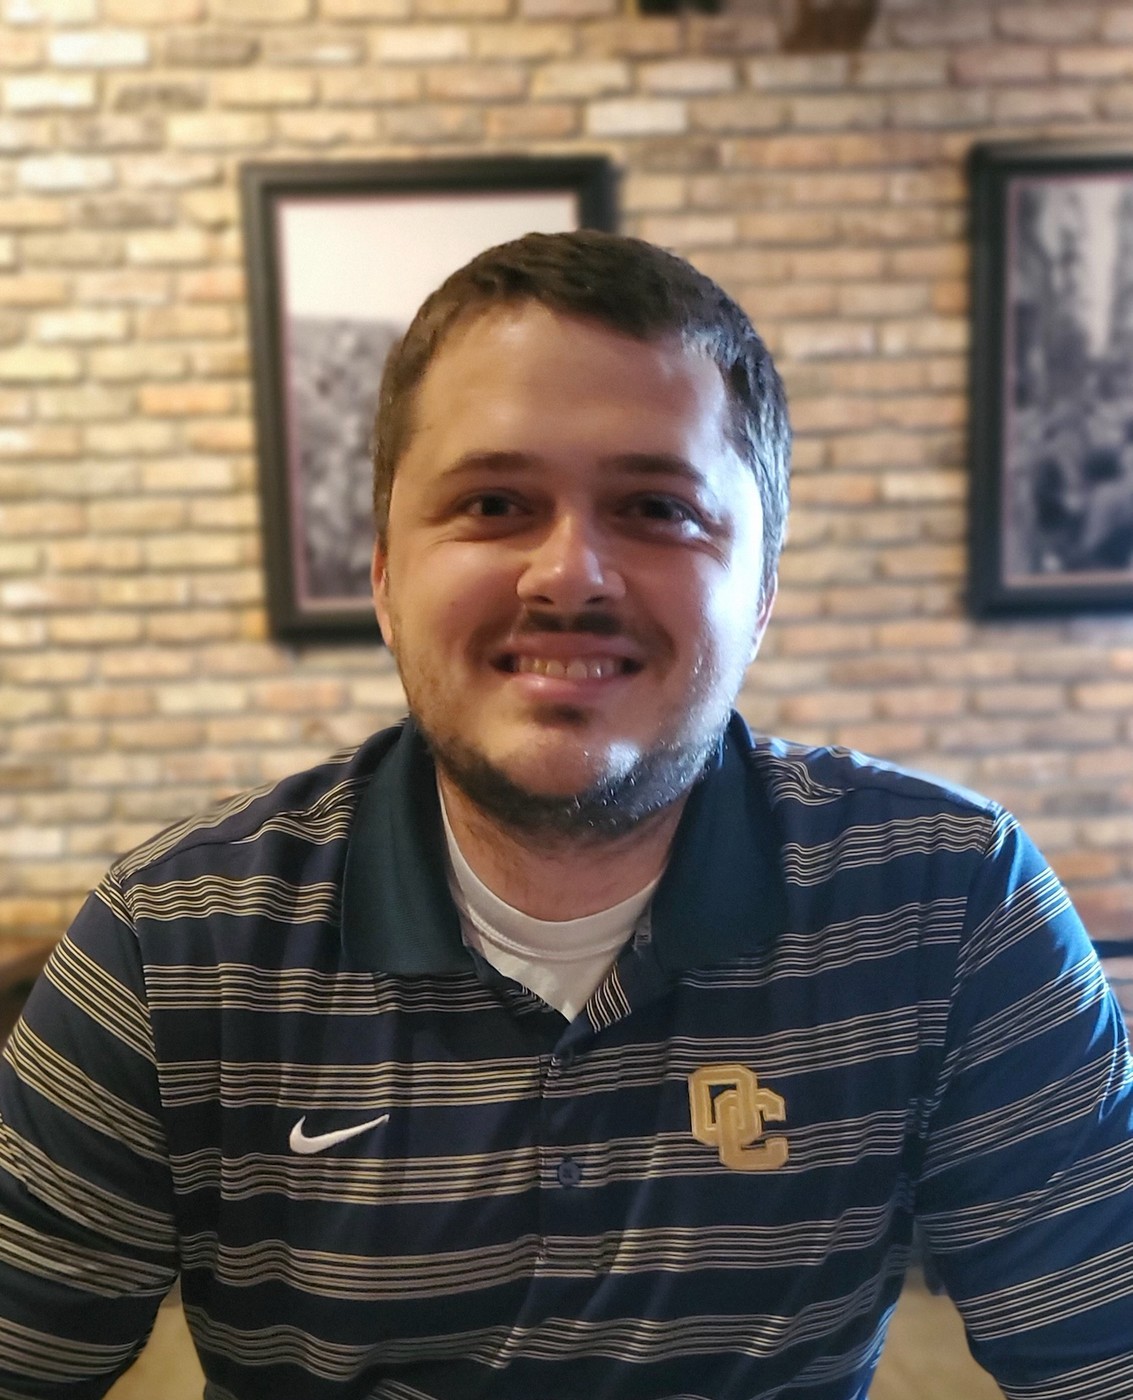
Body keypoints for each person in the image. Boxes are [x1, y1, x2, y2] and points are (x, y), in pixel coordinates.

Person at [1, 230, 1131, 1400]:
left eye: (655, 506)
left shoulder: (953, 906)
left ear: (761, 589)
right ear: (384, 576)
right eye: (492, 502)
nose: (569, 573)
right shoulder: (169, 943)